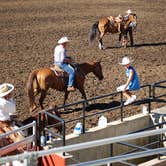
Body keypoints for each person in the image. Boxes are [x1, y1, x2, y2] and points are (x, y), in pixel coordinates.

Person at [0, 83, 24, 148]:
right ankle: (21, 148)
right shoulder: (5, 102)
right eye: (10, 93)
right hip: (4, 123)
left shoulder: (2, 101)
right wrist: (10, 99)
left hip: (3, 119)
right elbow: (13, 110)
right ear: (7, 94)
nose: (12, 94)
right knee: (18, 136)